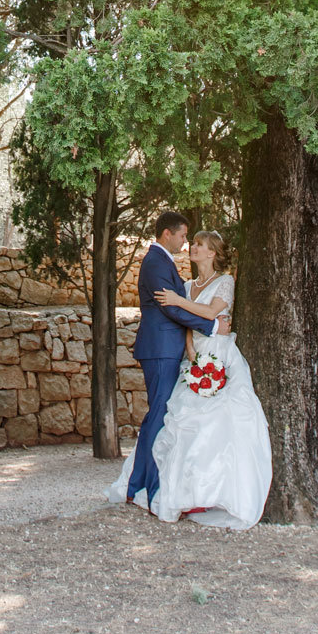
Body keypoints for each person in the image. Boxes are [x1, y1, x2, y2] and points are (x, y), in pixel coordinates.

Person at [140, 228, 271, 529]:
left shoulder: (225, 282)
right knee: (184, 423)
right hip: (195, 355)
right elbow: (187, 322)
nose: (192, 248)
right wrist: (189, 349)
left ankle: (216, 493)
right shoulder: (187, 285)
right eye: (193, 243)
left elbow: (212, 313)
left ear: (212, 253)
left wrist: (176, 300)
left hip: (219, 354)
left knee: (219, 423)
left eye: (198, 244)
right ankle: (188, 495)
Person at [108, 212, 216, 513]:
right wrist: (211, 327)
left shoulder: (163, 261)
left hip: (167, 347)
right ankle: (149, 488)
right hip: (159, 348)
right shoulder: (155, 262)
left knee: (158, 415)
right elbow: (171, 309)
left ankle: (138, 485)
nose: (185, 242)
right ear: (167, 233)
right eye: (183, 236)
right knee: (159, 416)